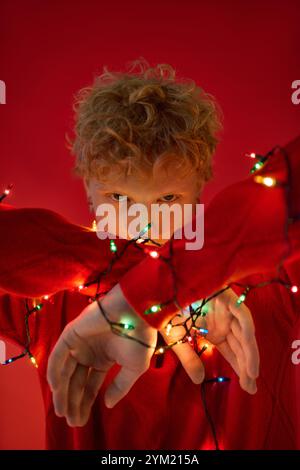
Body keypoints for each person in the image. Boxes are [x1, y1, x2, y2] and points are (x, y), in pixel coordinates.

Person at [0, 59, 299, 449]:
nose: (144, 223)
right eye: (119, 199)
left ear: (200, 192)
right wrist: (130, 277)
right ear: (89, 190)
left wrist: (175, 277)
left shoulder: (265, 282)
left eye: (168, 199)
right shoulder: (47, 292)